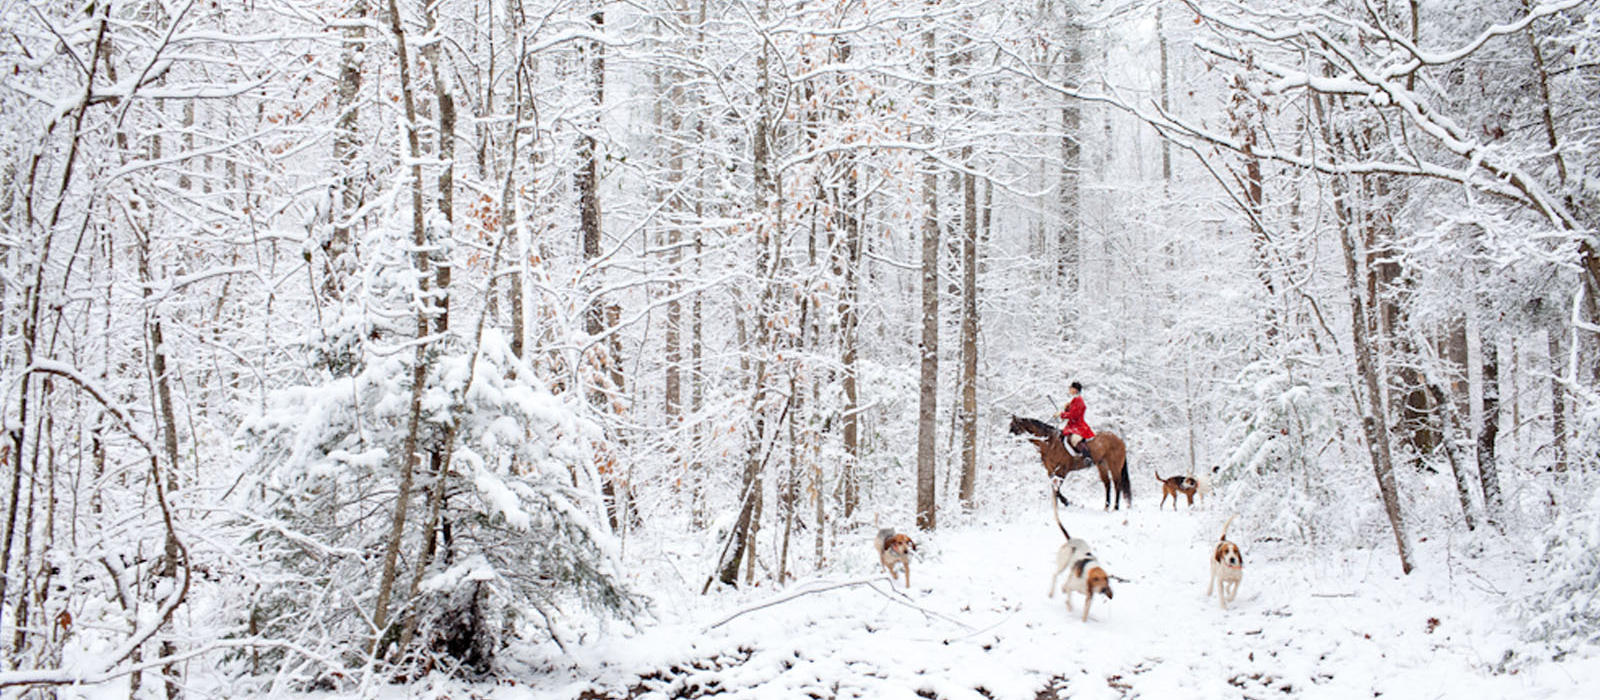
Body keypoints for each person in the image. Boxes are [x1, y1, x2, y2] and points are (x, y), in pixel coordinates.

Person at [1059, 381, 1095, 459]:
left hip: (1079, 426)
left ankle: (1088, 457)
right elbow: (1071, 413)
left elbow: (1074, 415)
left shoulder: (1079, 400)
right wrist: (1066, 409)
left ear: (1075, 390)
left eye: (1070, 388)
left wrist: (1061, 414)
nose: (1069, 389)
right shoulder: (1074, 400)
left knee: (1074, 440)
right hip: (1072, 426)